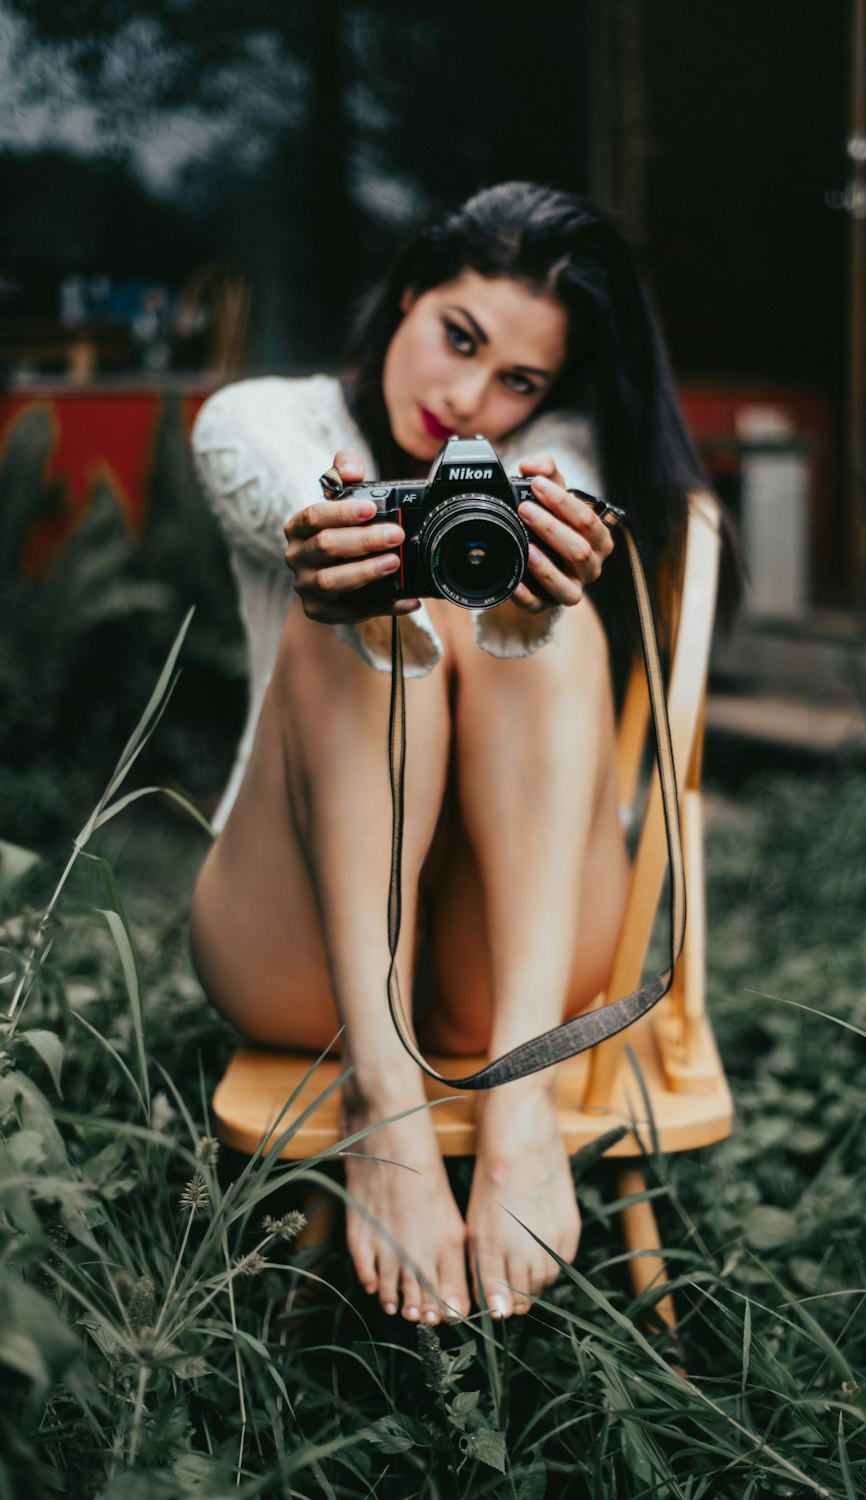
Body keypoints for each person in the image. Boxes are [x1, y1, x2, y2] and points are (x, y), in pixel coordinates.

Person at [189, 181, 715, 1327]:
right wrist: (342, 547)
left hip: (505, 971)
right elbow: (286, 497)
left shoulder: (556, 449)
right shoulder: (257, 420)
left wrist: (545, 556)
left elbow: (568, 478)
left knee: (548, 616)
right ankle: (387, 1102)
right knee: (357, 608)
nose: (468, 398)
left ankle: (518, 1105)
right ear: (409, 295)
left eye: (518, 379)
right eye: (457, 340)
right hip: (306, 961)